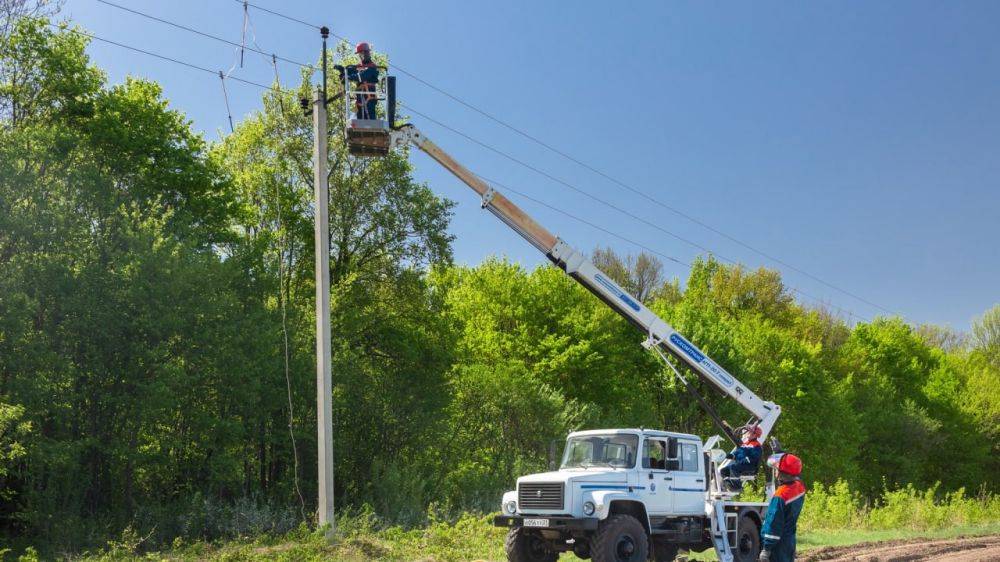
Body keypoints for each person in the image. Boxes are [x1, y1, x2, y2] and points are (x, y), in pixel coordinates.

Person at [759, 453, 805, 562]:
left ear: (782, 473)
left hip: (778, 546)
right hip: (789, 542)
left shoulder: (781, 495)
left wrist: (766, 549)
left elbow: (773, 523)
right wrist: (781, 453)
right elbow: (794, 472)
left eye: (776, 469)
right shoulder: (800, 487)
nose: (775, 471)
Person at [334, 42, 379, 119]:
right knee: (360, 117)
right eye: (360, 55)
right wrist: (342, 70)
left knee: (370, 118)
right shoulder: (359, 66)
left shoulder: (372, 67)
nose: (361, 56)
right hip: (360, 97)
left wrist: (348, 77)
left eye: (361, 54)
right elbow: (350, 70)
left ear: (367, 53)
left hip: (369, 97)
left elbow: (361, 76)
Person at [720, 424, 763, 491]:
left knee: (734, 467)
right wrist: (727, 455)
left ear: (755, 435)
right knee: (723, 470)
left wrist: (742, 461)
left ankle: (737, 487)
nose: (748, 433)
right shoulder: (745, 444)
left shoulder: (756, 446)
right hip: (741, 464)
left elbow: (754, 458)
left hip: (750, 466)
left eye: (750, 432)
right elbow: (736, 454)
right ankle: (728, 485)